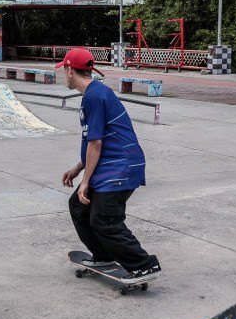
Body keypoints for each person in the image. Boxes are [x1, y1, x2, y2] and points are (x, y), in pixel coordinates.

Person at [59, 47, 161, 279]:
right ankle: (104, 255)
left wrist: (85, 182)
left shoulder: (94, 96)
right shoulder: (94, 93)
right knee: (79, 206)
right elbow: (96, 139)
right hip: (111, 164)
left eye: (63, 71)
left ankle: (143, 264)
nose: (63, 75)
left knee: (105, 219)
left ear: (69, 70)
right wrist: (78, 167)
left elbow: (96, 143)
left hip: (120, 166)